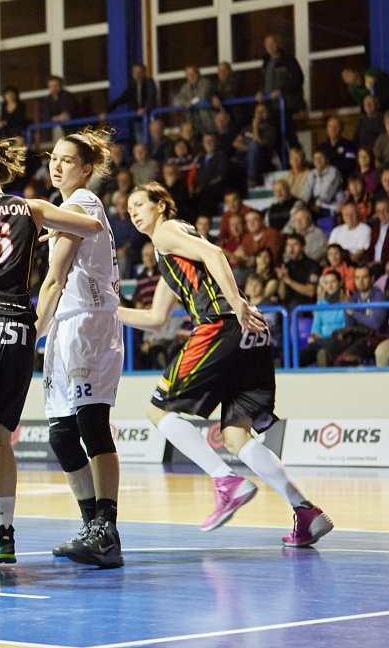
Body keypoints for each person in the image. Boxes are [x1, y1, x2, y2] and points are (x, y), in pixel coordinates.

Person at [117, 183, 333, 547]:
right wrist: (109, 310)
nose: (133, 212)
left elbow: (215, 252)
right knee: (235, 436)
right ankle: (306, 511)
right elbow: (156, 318)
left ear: (161, 205)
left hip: (222, 324)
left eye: (139, 204)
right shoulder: (170, 248)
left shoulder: (168, 232)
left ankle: (225, 480)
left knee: (157, 410)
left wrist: (236, 302)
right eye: (129, 208)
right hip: (250, 334)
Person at [0, 135, 102, 574]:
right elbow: (92, 227)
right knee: (1, 439)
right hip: (17, 328)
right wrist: (52, 233)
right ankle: (5, 534)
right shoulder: (32, 208)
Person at [35, 129, 126, 569]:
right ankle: (92, 526)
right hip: (67, 326)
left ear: (87, 169)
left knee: (92, 424)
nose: (56, 165)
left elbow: (54, 279)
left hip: (88, 323)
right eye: (53, 158)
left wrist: (29, 335)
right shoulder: (65, 209)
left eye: (67, 160)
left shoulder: (82, 203)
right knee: (62, 433)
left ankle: (106, 528)